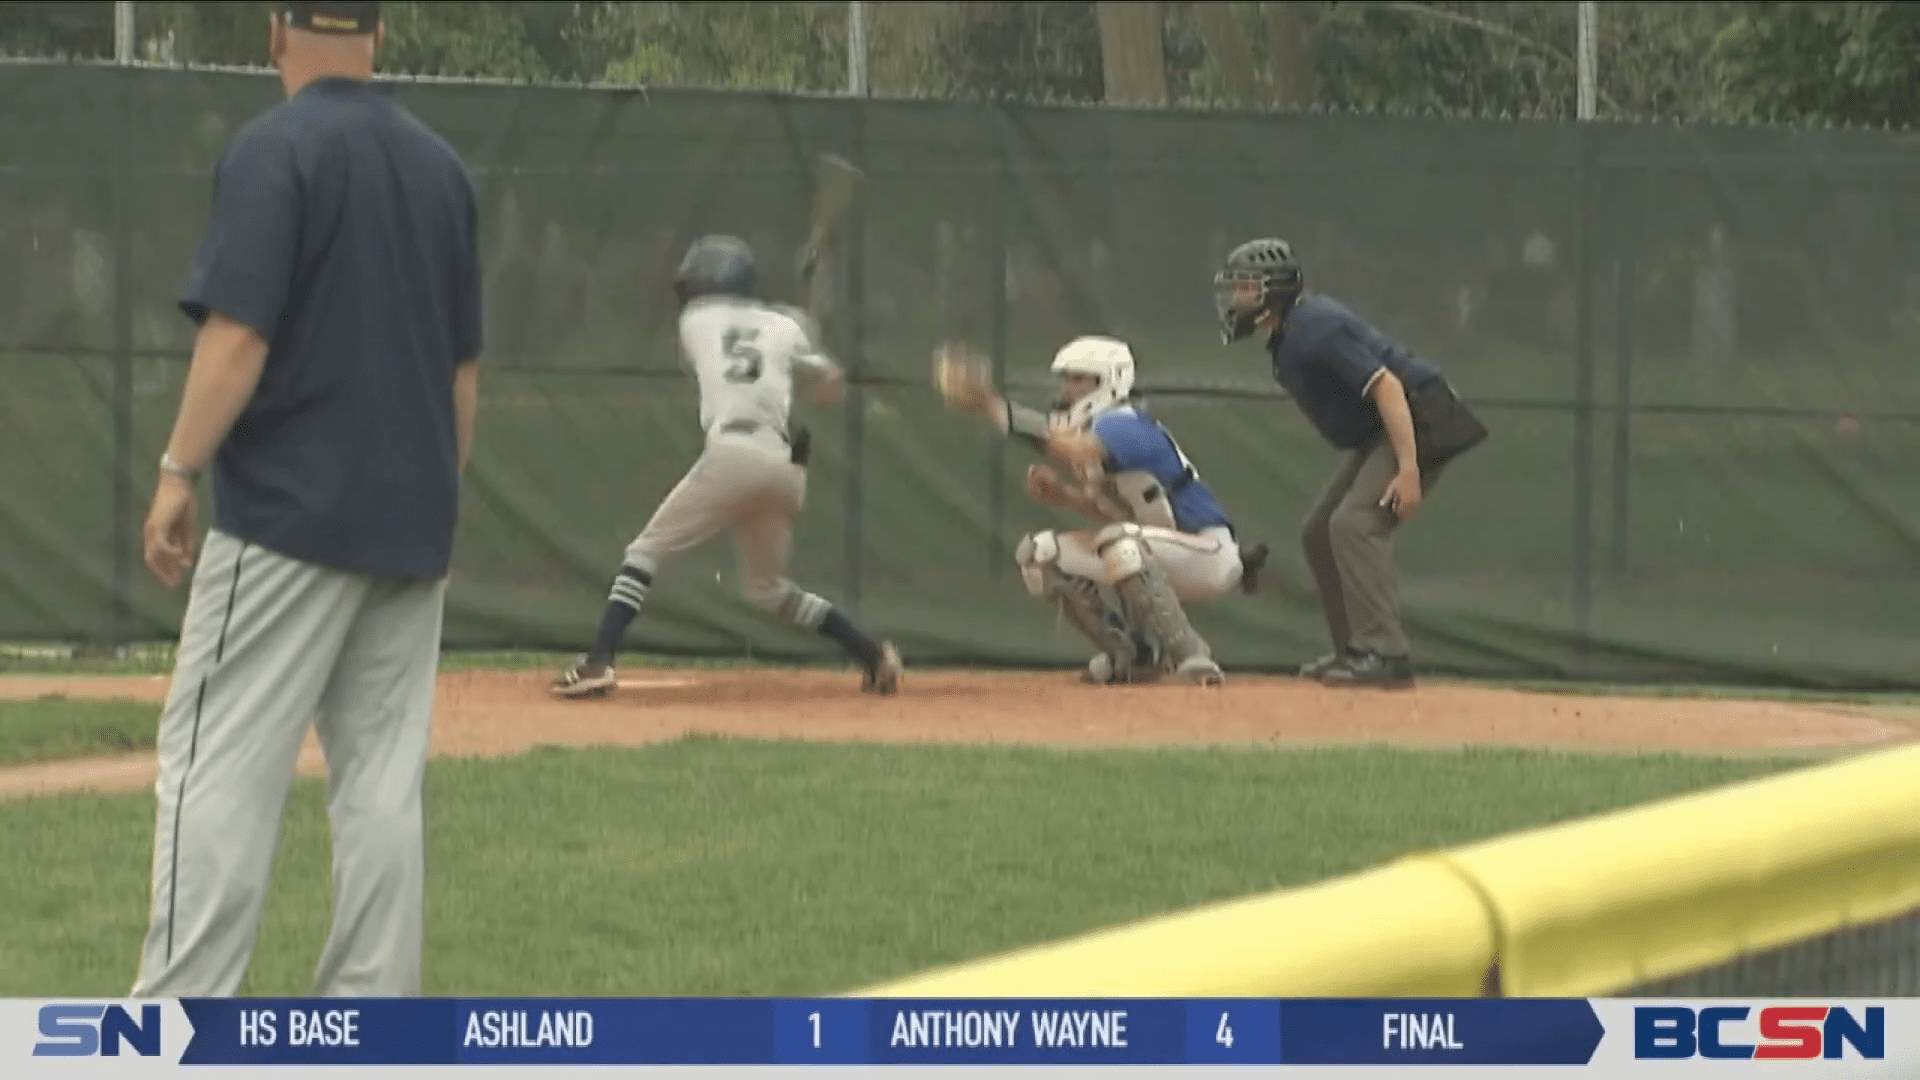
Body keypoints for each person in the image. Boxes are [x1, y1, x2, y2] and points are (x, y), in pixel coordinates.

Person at [133, 1, 482, 997]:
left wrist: (176, 470)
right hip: (412, 526)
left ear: (275, 33)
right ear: (380, 38)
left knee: (215, 773)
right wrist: (432, 498)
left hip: (284, 523)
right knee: (378, 789)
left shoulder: (273, 150)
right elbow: (462, 379)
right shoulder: (441, 170)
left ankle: (174, 1022)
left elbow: (237, 338)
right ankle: (373, 1029)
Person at [553, 236, 903, 698]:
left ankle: (600, 660)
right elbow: (831, 383)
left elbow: (718, 358)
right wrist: (802, 335)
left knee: (643, 553)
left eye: (699, 283)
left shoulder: (695, 321)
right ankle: (873, 655)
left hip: (733, 454)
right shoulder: (785, 323)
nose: (692, 295)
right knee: (768, 589)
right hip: (785, 466)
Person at [1215, 238, 1486, 689]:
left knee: (1355, 523)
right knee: (1319, 532)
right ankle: (1356, 651)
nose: (1236, 297)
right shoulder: (1289, 333)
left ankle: (1387, 654)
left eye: (1246, 286)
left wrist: (1408, 469)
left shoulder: (1313, 327)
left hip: (1421, 417)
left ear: (1273, 291)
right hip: (1389, 427)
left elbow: (1388, 387)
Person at [935, 336, 1269, 686]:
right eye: (1066, 378)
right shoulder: (1098, 428)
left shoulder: (1122, 423)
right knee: (1039, 555)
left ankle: (1193, 657)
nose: (1067, 387)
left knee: (1120, 544)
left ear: (1109, 382)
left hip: (1208, 551)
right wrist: (1065, 497)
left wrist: (993, 406)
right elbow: (1117, 513)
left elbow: (1074, 451)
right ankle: (1132, 654)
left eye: (1078, 378)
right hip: (1162, 551)